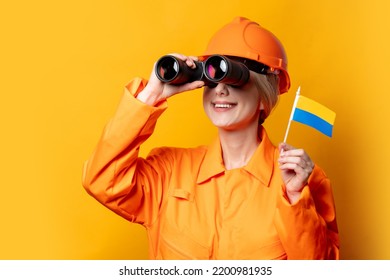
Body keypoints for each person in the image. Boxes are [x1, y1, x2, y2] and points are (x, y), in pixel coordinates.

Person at [82, 17, 339, 260]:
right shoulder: (169, 170)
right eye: (212, 79)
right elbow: (102, 181)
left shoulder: (300, 178)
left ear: (264, 97)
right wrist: (152, 93)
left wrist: (296, 199)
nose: (221, 89)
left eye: (235, 79)